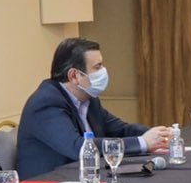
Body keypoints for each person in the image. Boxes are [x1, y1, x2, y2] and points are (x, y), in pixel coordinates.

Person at [16, 37, 171, 175]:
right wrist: (142, 143)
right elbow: (79, 148)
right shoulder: (46, 103)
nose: (103, 71)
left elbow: (120, 130)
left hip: (84, 181)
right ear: (74, 76)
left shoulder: (88, 98)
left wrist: (158, 135)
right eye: (97, 67)